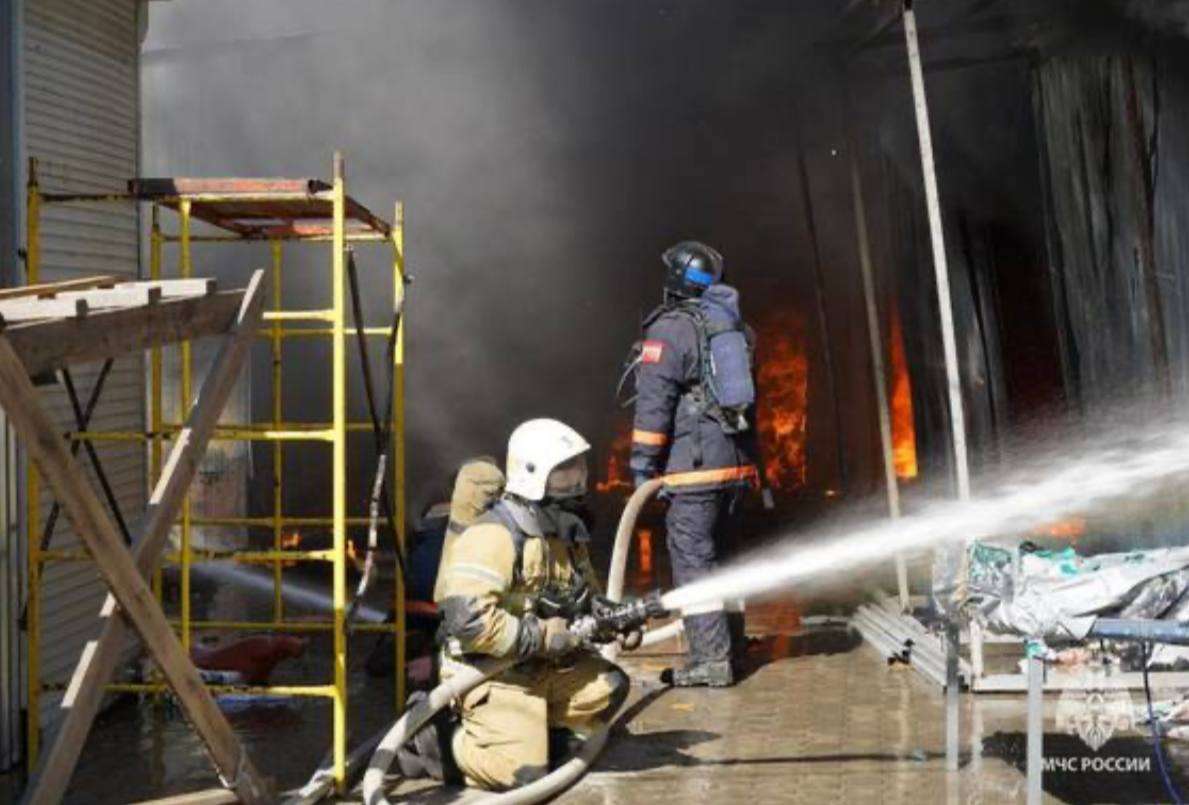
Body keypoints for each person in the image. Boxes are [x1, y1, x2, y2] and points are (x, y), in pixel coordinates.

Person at [401, 419, 630, 790]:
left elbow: (583, 596)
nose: (576, 478)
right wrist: (540, 636)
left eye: (578, 466)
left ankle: (534, 738)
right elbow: (469, 623)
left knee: (609, 686)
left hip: (539, 666)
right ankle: (433, 740)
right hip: (489, 672)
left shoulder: (565, 532)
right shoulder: (495, 534)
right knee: (520, 774)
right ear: (533, 473)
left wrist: (611, 619)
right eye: (563, 470)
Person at [626, 240, 758, 688]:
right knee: (725, 558)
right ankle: (733, 646)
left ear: (677, 280)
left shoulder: (670, 330)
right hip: (736, 467)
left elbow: (653, 406)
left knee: (693, 561)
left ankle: (710, 661)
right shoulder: (735, 327)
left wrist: (643, 466)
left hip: (695, 468)